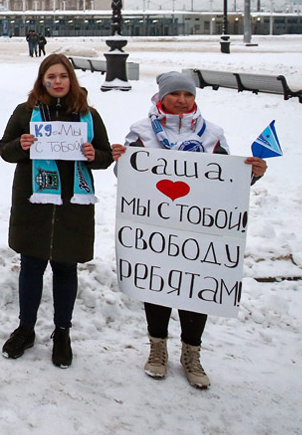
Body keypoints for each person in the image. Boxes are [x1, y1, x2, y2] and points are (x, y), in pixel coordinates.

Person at [112, 71, 267, 389]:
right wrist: (119, 160)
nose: (183, 101)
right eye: (176, 95)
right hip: (156, 228)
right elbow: (127, 175)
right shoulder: (142, 132)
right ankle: (157, 348)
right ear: (162, 97)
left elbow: (228, 182)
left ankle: (191, 353)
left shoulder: (212, 133)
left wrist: (252, 173)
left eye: (189, 95)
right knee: (156, 284)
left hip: (198, 230)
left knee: (195, 287)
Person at [0, 54, 114, 368]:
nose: (58, 82)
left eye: (63, 76)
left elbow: (105, 155)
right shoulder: (26, 113)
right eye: (52, 76)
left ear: (71, 80)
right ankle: (26, 328)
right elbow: (4, 150)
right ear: (42, 80)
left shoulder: (87, 115)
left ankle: (62, 332)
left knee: (65, 269)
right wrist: (20, 145)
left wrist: (94, 155)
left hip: (72, 207)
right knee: (31, 268)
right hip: (33, 204)